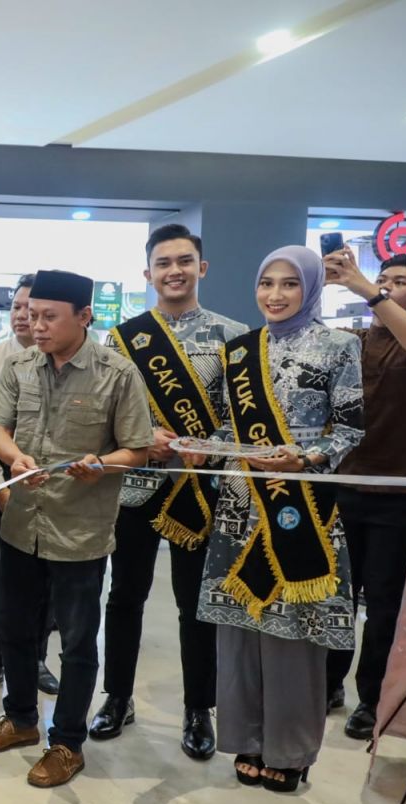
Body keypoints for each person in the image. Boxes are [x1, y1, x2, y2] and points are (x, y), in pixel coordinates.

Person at [184, 245, 362, 793]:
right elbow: (226, 430)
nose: (276, 295)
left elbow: (350, 428)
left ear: (309, 288)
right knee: (240, 630)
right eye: (267, 283)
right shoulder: (238, 352)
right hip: (240, 504)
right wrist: (194, 446)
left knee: (294, 632)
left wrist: (305, 458)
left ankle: (292, 748)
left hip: (301, 506)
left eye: (289, 284)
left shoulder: (340, 346)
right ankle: (251, 739)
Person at [0, 270, 153, 789]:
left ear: (84, 317)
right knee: (11, 626)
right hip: (21, 522)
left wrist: (102, 462)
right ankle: (23, 720)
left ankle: (68, 743)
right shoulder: (20, 366)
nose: (37, 325)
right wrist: (13, 458)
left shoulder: (116, 374)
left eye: (50, 317)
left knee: (76, 641)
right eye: (32, 315)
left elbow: (136, 449)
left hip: (80, 530)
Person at [92, 225, 247, 760]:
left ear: (202, 268)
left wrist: (210, 443)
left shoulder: (235, 337)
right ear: (148, 274)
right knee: (125, 597)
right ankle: (116, 697)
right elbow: (104, 418)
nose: (174, 271)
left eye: (184, 261)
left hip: (197, 492)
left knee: (193, 605)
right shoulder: (122, 338)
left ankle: (198, 708)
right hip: (134, 487)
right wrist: (139, 438)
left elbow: (243, 420)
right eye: (163, 263)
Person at [322, 251, 406, 739]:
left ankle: (373, 697)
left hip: (398, 493)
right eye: (382, 277)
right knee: (335, 596)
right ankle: (328, 683)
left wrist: (367, 287)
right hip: (342, 486)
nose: (385, 285)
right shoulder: (354, 340)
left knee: (384, 602)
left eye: (399, 281)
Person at [0, 275, 60, 699]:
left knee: (41, 579)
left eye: (34, 309)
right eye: (19, 308)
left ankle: (36, 657)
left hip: (46, 489)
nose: (25, 316)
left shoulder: (60, 360)